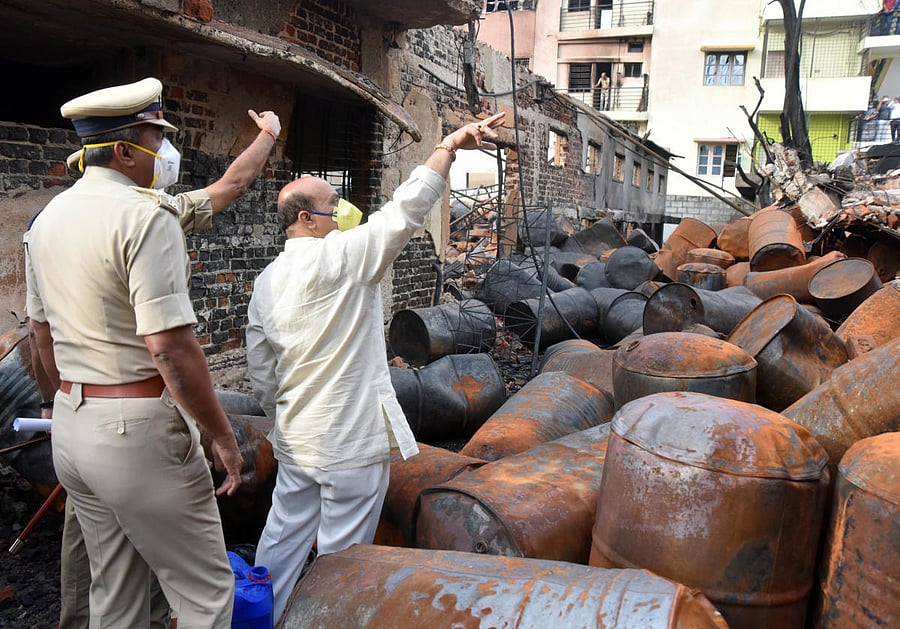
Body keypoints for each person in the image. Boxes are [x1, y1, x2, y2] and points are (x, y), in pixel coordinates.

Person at [25, 77, 278, 628]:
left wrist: (55, 405)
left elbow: (41, 337)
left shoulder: (47, 221)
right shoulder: (147, 217)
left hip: (73, 427)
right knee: (206, 593)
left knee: (114, 591)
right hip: (135, 433)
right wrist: (221, 435)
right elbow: (169, 348)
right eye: (155, 138)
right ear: (122, 149)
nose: (164, 151)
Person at [246, 111, 506, 622]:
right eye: (331, 204)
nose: (342, 208)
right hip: (350, 443)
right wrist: (448, 145)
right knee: (343, 560)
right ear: (305, 219)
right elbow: (405, 209)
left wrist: (283, 412)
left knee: (281, 538)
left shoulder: (265, 282)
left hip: (297, 440)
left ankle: (261, 616)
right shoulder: (343, 256)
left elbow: (261, 373)